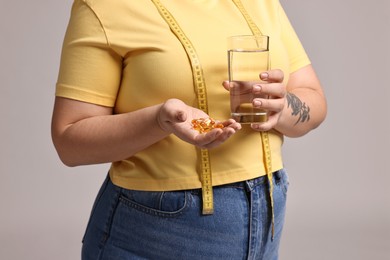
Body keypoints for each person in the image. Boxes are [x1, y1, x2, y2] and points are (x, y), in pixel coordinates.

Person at [51, 0, 327, 259]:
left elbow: (313, 98)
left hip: (267, 213)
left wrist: (282, 107)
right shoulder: (106, 7)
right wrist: (159, 121)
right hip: (158, 231)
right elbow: (69, 142)